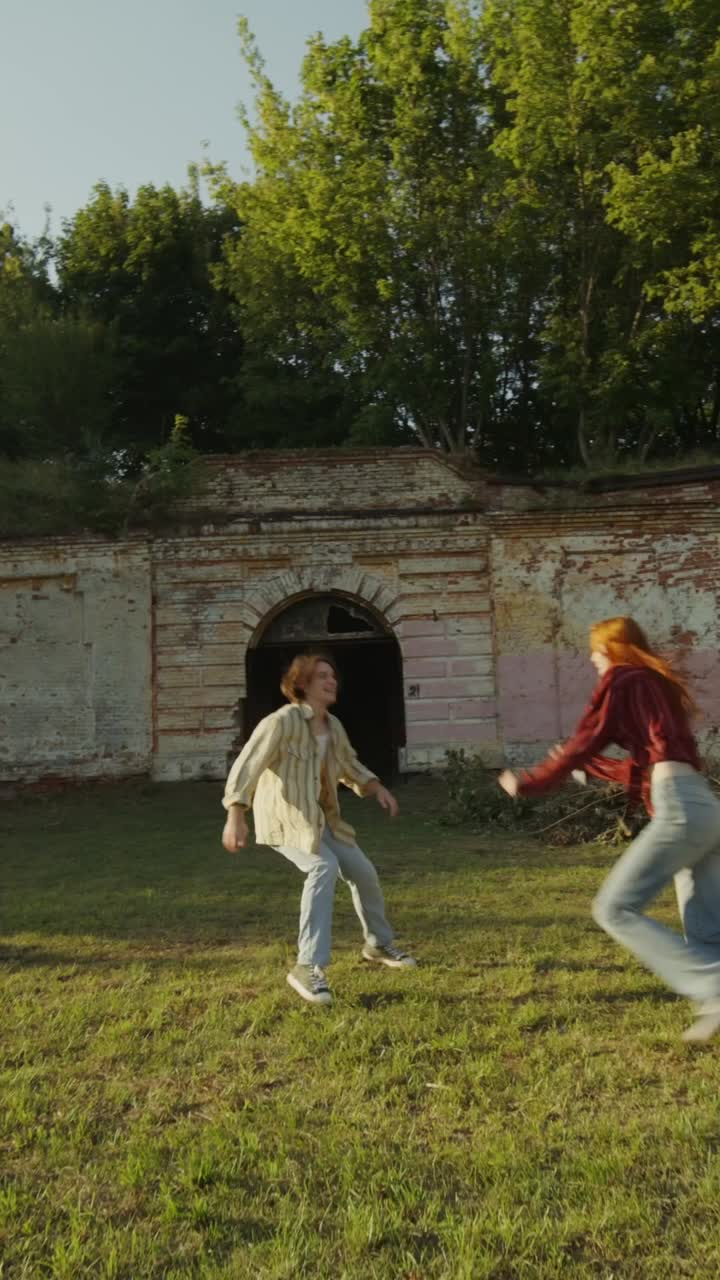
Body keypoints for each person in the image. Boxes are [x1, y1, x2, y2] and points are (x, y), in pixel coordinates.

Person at [498, 616, 720, 1043]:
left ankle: (711, 986)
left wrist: (531, 782)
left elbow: (587, 737)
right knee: (708, 926)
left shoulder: (620, 679)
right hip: (704, 806)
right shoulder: (654, 685)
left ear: (612, 648)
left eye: (596, 649)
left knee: (614, 908)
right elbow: (645, 767)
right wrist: (588, 764)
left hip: (680, 808)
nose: (592, 658)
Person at [221, 651, 416, 1006]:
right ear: (303, 684)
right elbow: (246, 766)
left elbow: (349, 766)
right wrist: (236, 814)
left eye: (333, 676)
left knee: (364, 873)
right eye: (322, 676)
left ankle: (377, 944)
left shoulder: (333, 726)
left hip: (323, 821)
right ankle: (307, 966)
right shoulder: (281, 722)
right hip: (286, 820)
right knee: (322, 867)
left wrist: (377, 788)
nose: (332, 682)